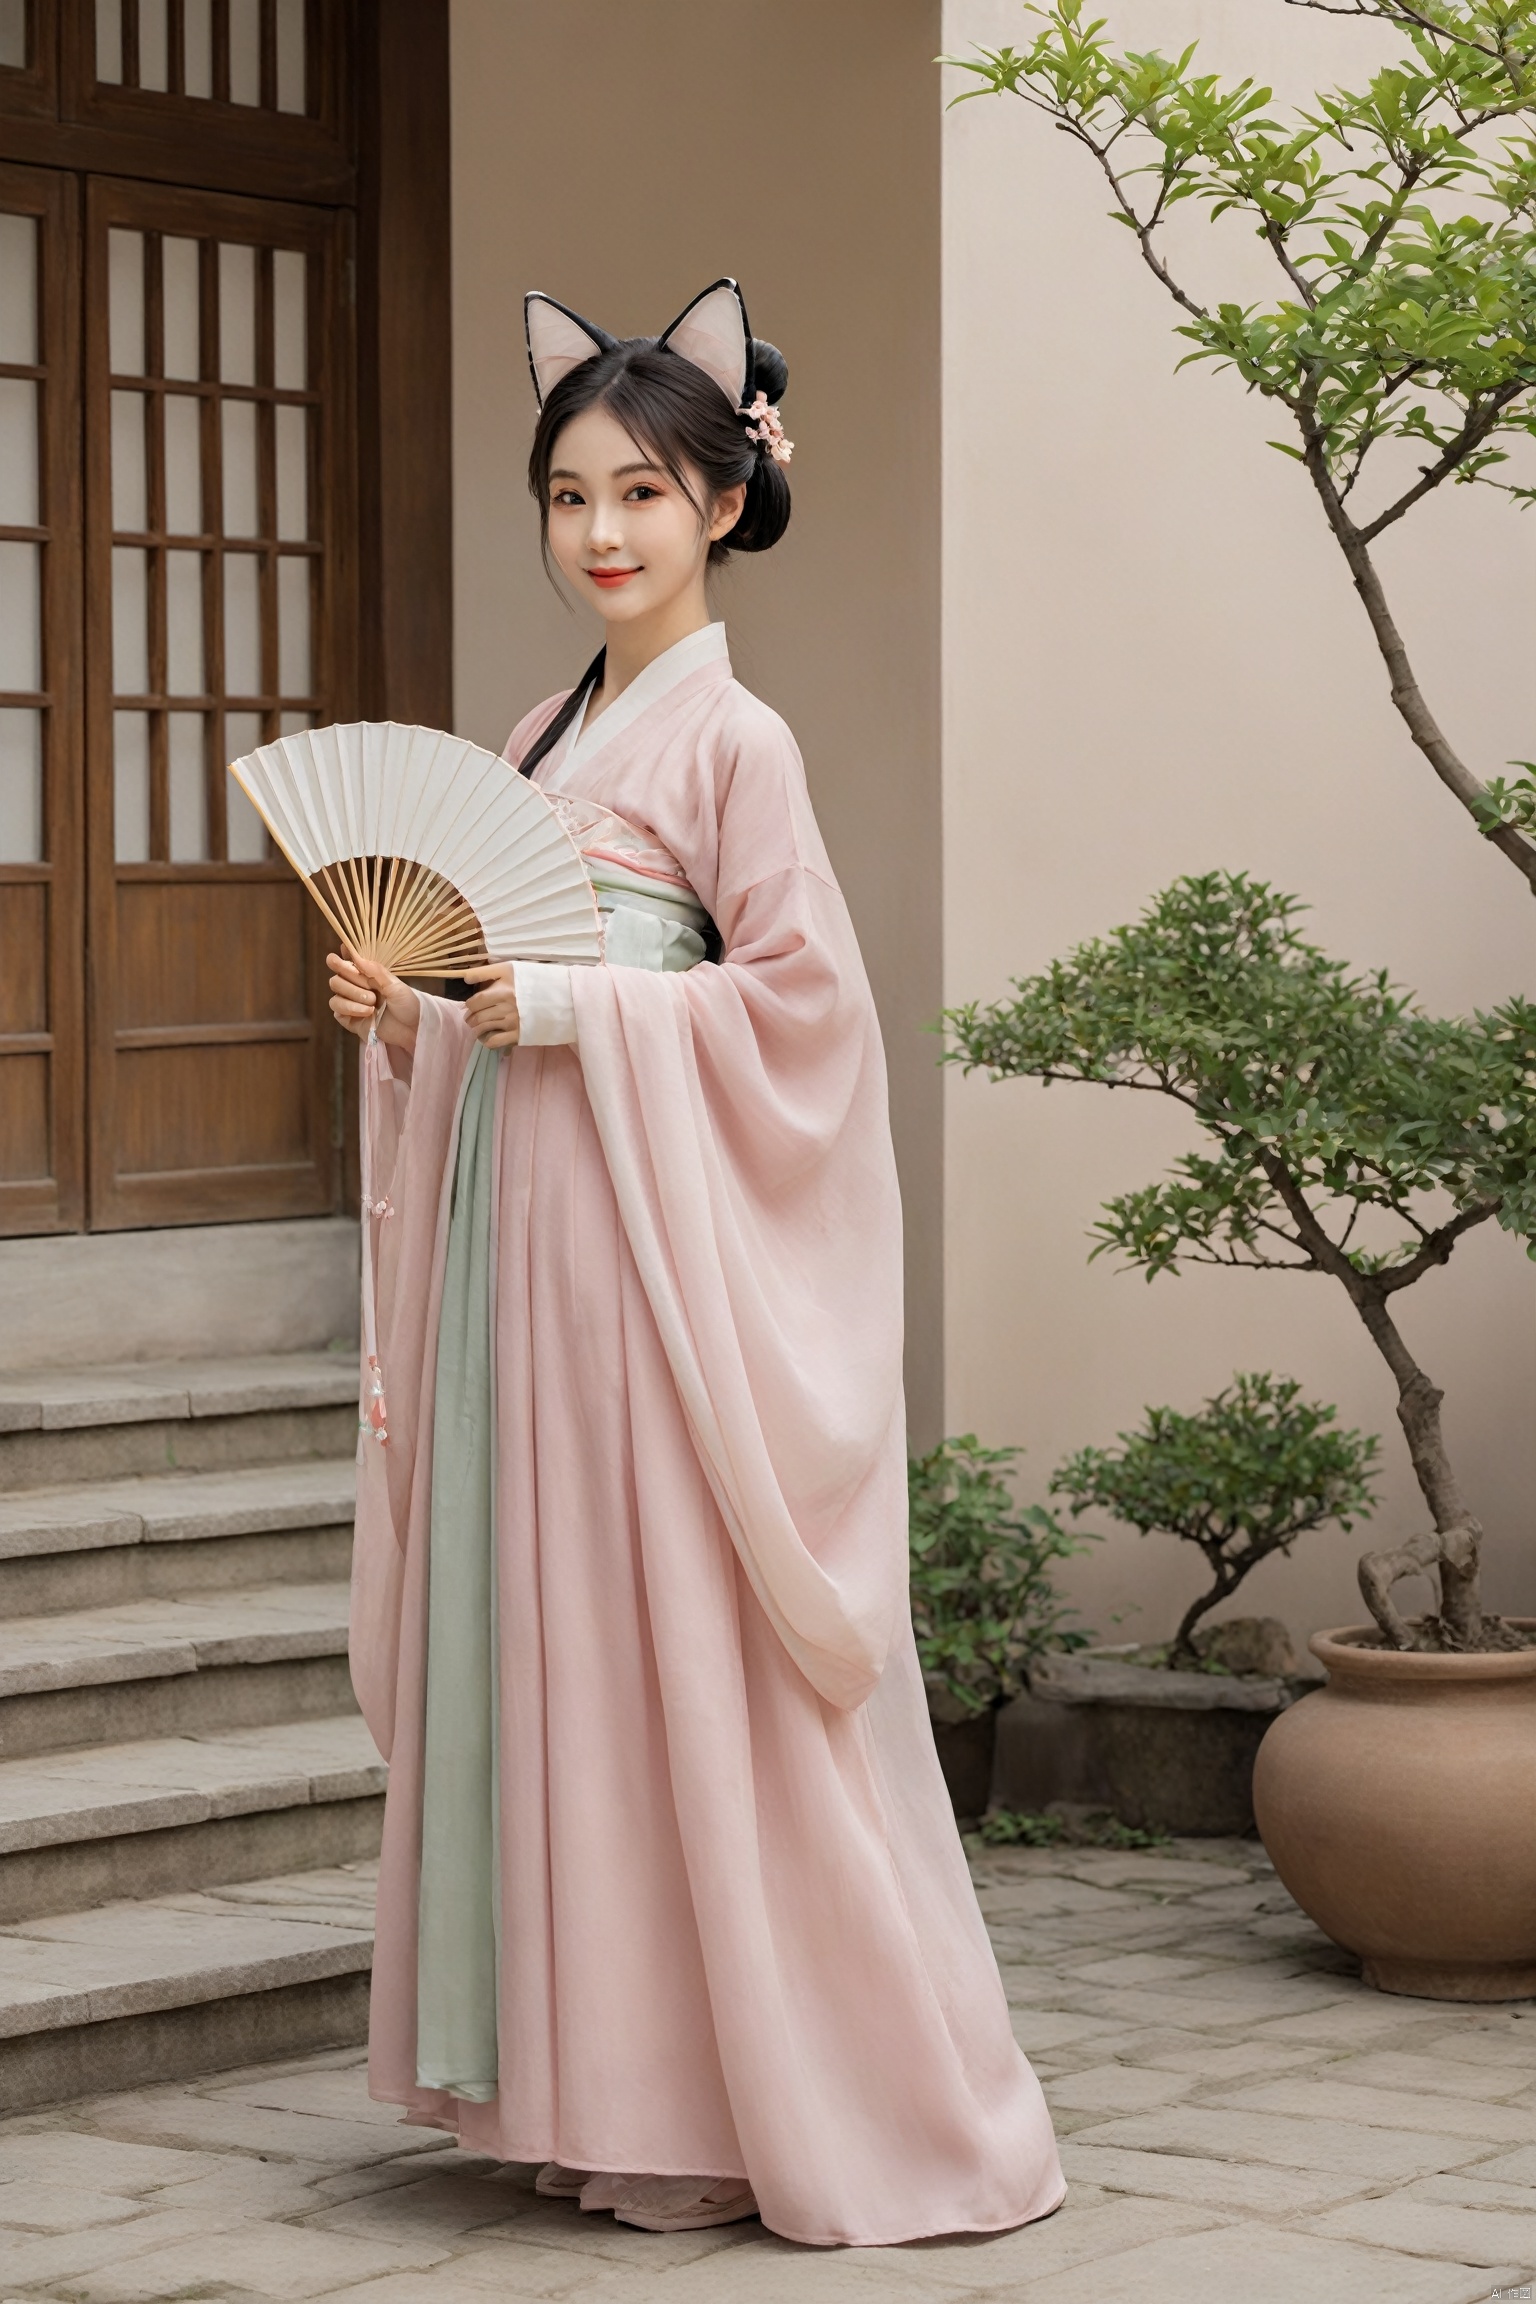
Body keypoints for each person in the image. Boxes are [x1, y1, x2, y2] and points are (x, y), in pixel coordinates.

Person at [327, 279, 1064, 2248]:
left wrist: (563, 999)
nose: (602, 533)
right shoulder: (534, 733)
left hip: (656, 1270)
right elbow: (497, 995)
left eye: (642, 491)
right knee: (557, 1652)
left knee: (673, 1658)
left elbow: (808, 1021)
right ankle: (581, 2088)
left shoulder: (743, 743)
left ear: (725, 502)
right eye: (569, 494)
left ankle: (736, 2104)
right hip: (524, 1262)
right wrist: (409, 1020)